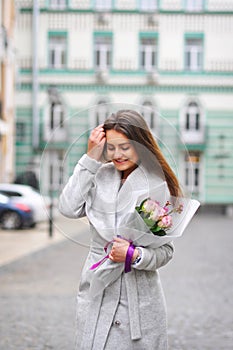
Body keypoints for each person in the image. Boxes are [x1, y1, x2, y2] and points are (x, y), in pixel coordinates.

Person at [59, 110, 182, 350]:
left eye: (125, 147)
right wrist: (91, 158)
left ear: (141, 144)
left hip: (139, 299)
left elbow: (166, 251)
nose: (117, 155)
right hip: (98, 289)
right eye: (111, 147)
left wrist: (134, 255)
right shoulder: (99, 175)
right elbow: (68, 207)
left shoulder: (156, 184)